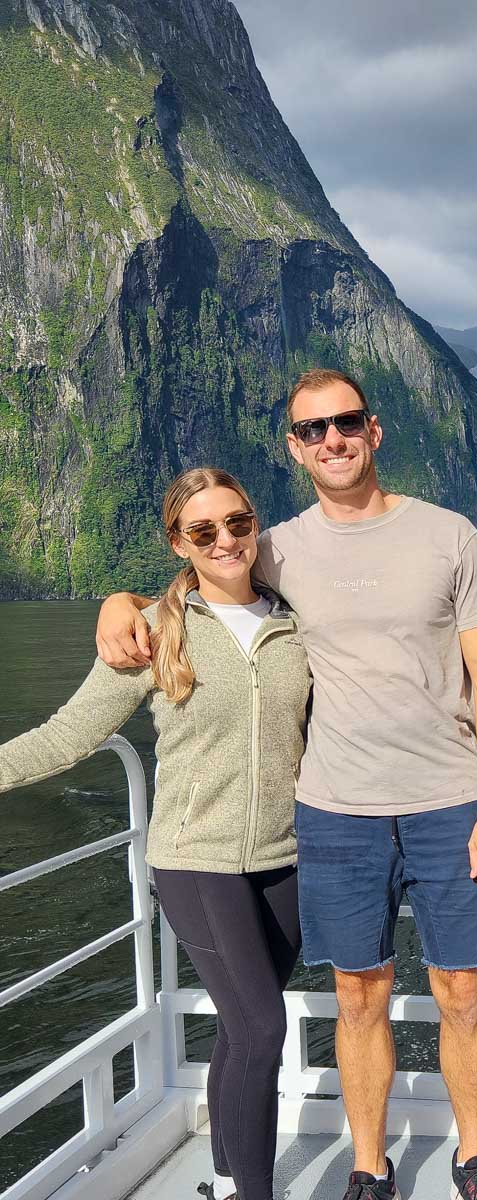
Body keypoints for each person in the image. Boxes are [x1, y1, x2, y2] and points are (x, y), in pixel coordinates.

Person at [97, 369, 477, 1200]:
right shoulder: (278, 542)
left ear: (375, 429)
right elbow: (199, 578)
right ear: (294, 447)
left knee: (462, 990)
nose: (333, 439)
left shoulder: (449, 536)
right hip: (334, 811)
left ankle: (474, 1159)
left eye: (347, 422)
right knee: (359, 994)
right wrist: (117, 603)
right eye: (313, 430)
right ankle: (370, 1168)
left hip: (448, 801)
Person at [0, 468, 312, 1200]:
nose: (226, 541)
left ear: (254, 523)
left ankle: (231, 1180)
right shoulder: (156, 629)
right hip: (196, 862)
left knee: (242, 1029)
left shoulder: (295, 622)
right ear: (179, 542)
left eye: (237, 523)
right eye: (203, 531)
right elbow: (67, 735)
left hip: (288, 857)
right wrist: (121, 603)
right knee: (265, 1030)